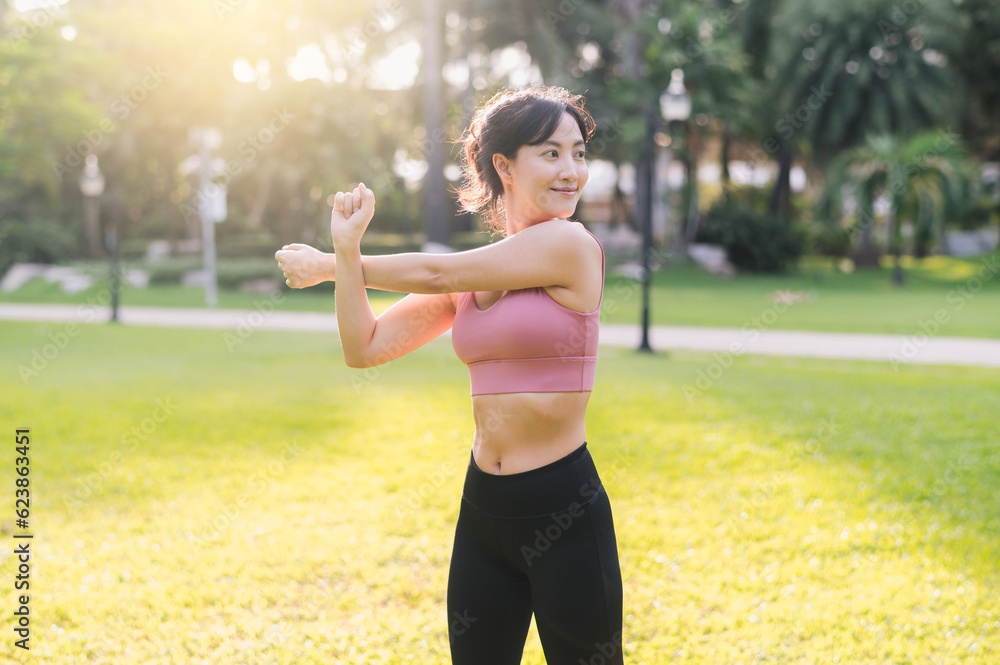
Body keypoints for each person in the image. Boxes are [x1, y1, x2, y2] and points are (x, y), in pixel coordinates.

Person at [275, 86, 624, 664]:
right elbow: (364, 347)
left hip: (562, 505)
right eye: (552, 153)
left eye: (579, 153)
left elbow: (438, 270)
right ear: (504, 166)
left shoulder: (570, 245)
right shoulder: (480, 274)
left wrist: (327, 263)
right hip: (486, 510)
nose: (572, 171)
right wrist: (343, 256)